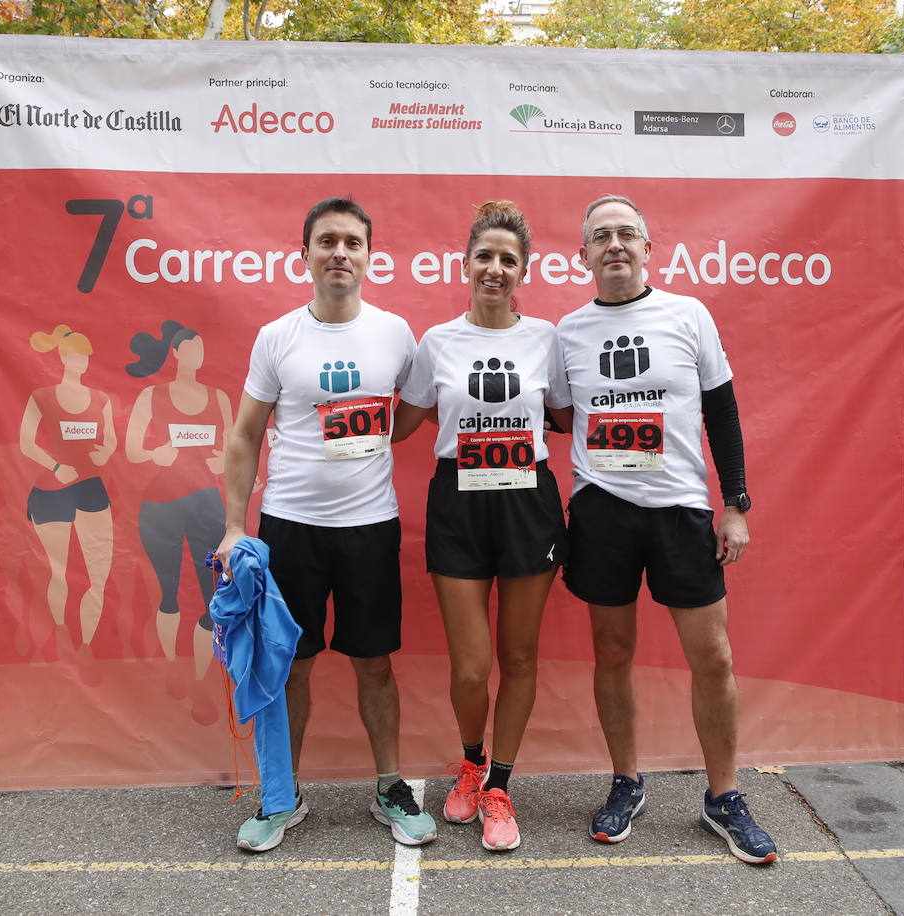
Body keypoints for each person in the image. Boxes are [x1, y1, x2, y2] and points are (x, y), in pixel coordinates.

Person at [556, 195, 777, 865]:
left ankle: (724, 797)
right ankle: (626, 782)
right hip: (602, 508)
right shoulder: (566, 332)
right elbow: (562, 417)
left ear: (650, 249)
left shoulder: (689, 315)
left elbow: (723, 412)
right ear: (584, 254)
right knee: (613, 652)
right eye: (601, 236)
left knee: (713, 658)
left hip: (682, 510)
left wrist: (734, 502)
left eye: (627, 234)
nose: (614, 244)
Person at [214, 197, 436, 853]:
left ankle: (389, 787)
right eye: (327, 241)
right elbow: (245, 435)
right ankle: (282, 796)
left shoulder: (396, 333)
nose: (340, 252)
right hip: (291, 529)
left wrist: (380, 436)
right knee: (293, 667)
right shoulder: (277, 337)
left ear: (370, 255)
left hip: (371, 529)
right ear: (306, 253)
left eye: (353, 242)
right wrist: (234, 527)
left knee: (375, 664)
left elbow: (415, 406)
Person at [393, 201, 572, 852]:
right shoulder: (436, 342)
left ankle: (499, 786)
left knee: (518, 656)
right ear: (464, 264)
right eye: (485, 257)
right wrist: (320, 416)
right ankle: (470, 762)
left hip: (528, 502)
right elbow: (399, 426)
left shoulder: (546, 339)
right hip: (458, 503)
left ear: (522, 270)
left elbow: (566, 414)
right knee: (472, 668)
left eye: (508, 259)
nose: (494, 269)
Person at [125, 321, 234, 725]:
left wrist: (224, 460)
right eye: (192, 348)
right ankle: (171, 671)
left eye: (203, 349)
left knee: (212, 596)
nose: (198, 355)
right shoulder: (152, 396)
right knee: (169, 595)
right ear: (176, 352)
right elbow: (133, 449)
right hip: (161, 508)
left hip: (206, 505)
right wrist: (158, 453)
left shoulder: (218, 397)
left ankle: (200, 682)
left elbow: (233, 446)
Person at [19, 325, 116, 671]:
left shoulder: (101, 399)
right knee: (58, 572)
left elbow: (112, 443)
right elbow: (26, 443)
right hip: (51, 489)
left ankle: (86, 646)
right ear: (63, 357)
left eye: (87, 355)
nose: (84, 361)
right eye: (78, 354)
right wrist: (56, 465)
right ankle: (60, 641)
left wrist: (105, 454)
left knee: (98, 575)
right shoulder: (42, 396)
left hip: (90, 488)